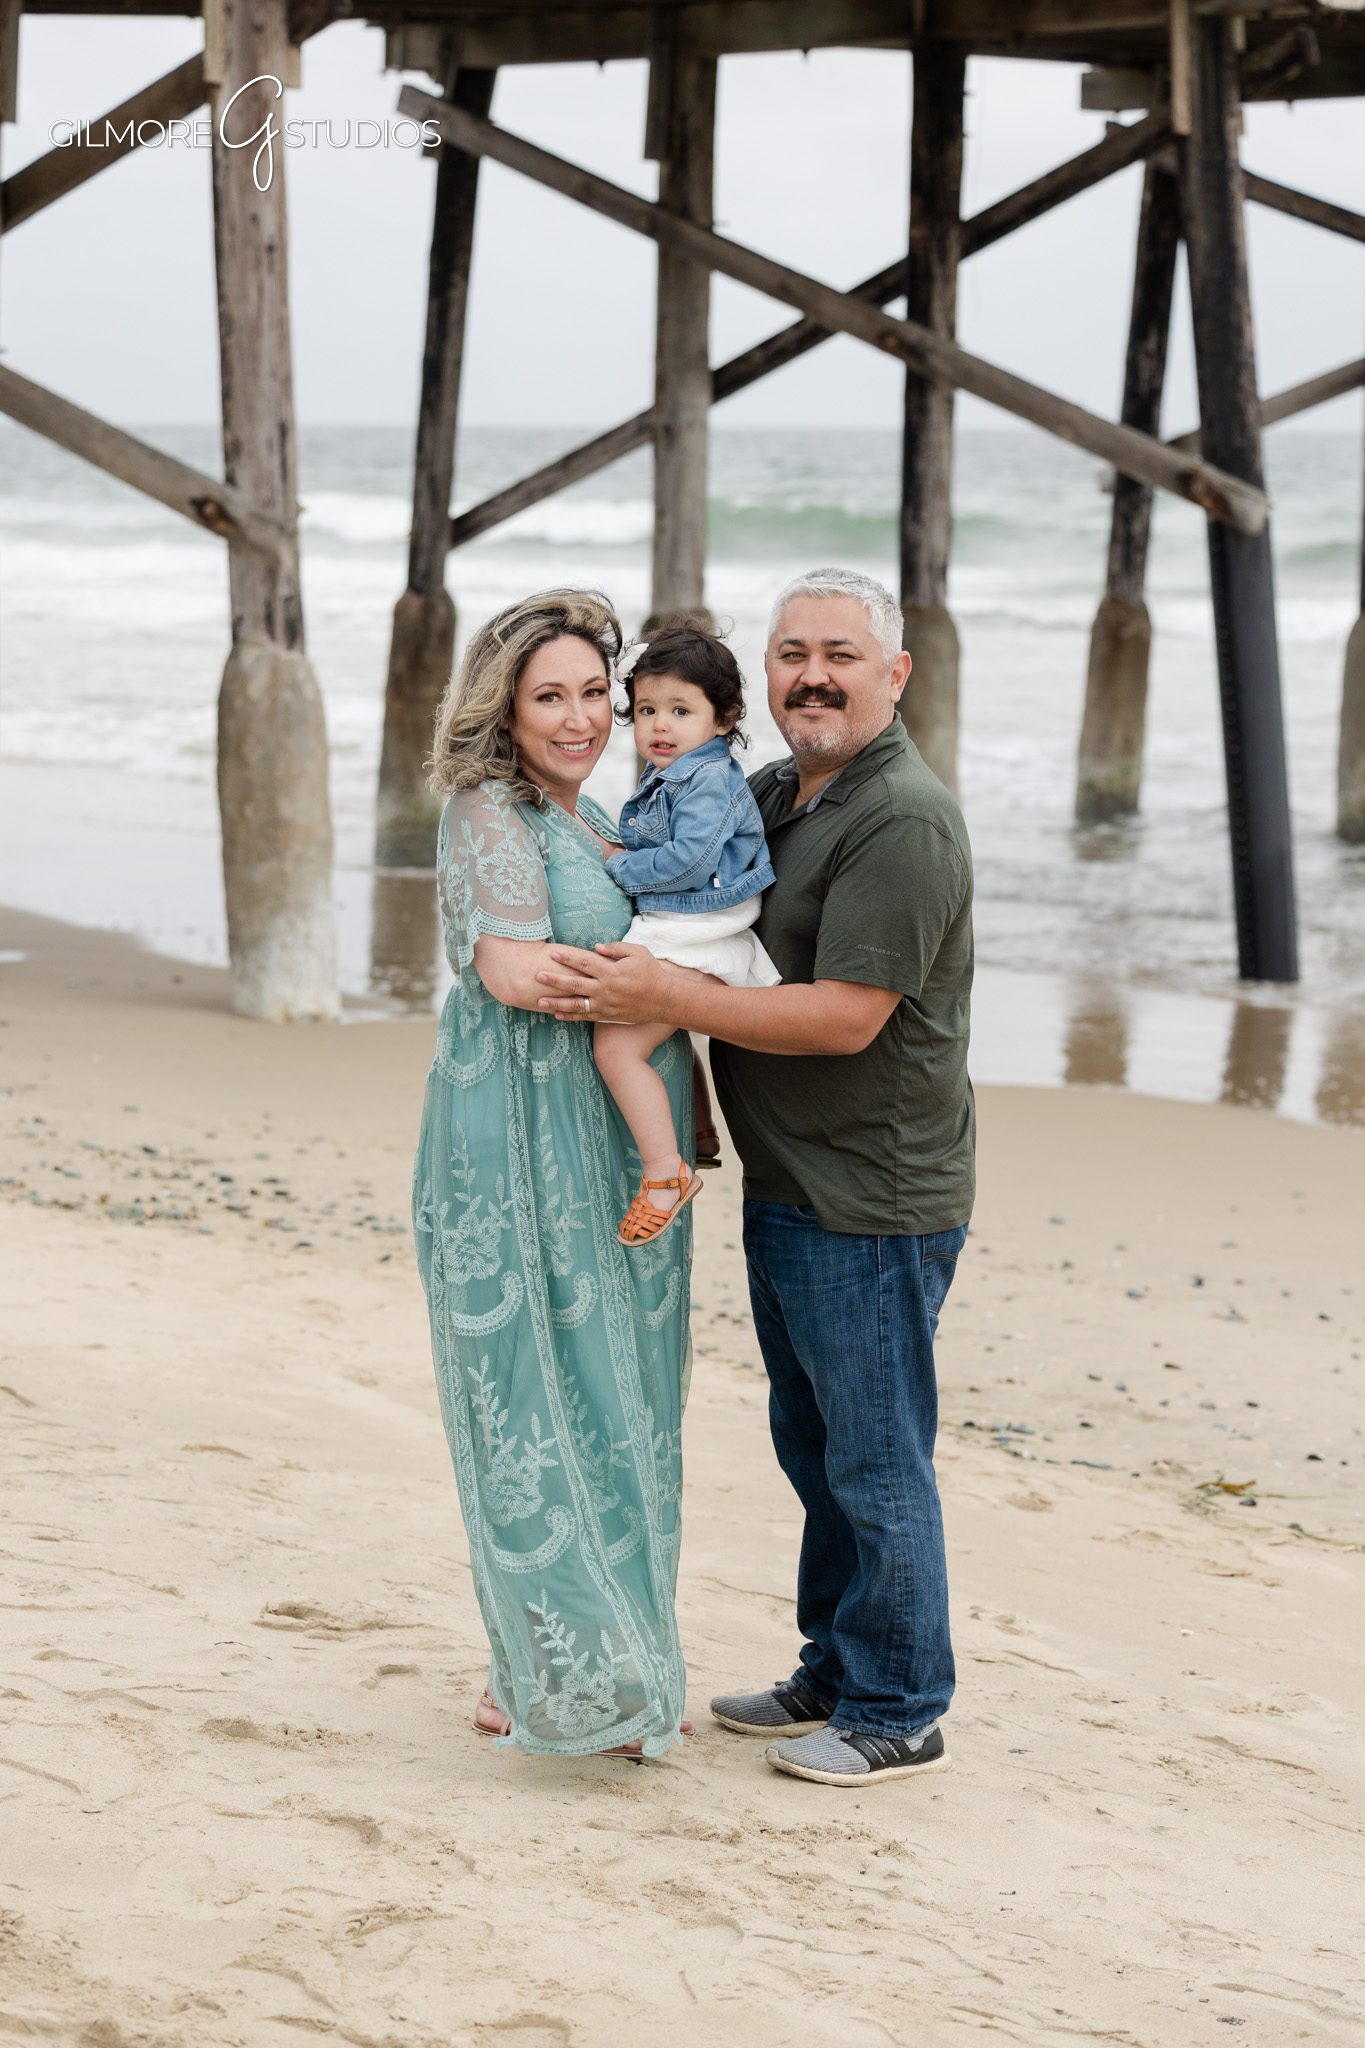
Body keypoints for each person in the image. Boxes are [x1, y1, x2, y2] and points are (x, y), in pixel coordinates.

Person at [534, 566, 975, 1788]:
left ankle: (900, 1701)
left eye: (841, 652)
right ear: (761, 679)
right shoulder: (776, 787)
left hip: (873, 1193)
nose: (813, 675)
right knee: (812, 1439)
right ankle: (833, 1664)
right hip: (794, 1177)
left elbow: (844, 1017)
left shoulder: (904, 820)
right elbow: (733, 938)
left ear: (896, 674)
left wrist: (661, 996)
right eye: (792, 653)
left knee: (876, 1455)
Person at [411, 588, 694, 1761]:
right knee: (537, 1396)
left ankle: (546, 1663)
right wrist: (671, 983)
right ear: (504, 710)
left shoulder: (598, 818)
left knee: (625, 1401)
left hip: (608, 1154)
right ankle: (571, 1680)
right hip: (515, 1155)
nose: (580, 718)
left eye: (595, 694)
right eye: (551, 696)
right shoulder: (490, 808)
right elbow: (516, 970)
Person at [596, 623, 780, 1249]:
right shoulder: (684, 771)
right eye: (647, 710)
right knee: (657, 1025)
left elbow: (688, 862)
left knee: (617, 1048)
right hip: (697, 918)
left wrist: (616, 864)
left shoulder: (703, 779)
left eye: (681, 710)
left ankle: (664, 1174)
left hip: (699, 920)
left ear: (724, 718)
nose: (660, 727)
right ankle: (697, 1127)